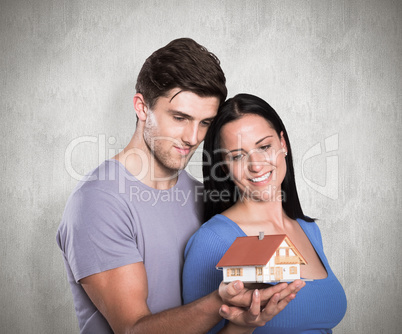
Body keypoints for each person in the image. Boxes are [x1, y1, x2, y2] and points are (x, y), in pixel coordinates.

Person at [57, 39, 304, 334]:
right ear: (142, 107)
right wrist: (221, 302)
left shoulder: (203, 195)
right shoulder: (98, 202)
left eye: (204, 123)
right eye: (180, 118)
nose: (192, 137)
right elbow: (133, 329)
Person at [183, 93, 347, 333]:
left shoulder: (309, 230)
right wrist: (242, 326)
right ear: (223, 167)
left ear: (283, 144)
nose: (256, 165)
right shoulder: (212, 241)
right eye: (238, 156)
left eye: (264, 146)